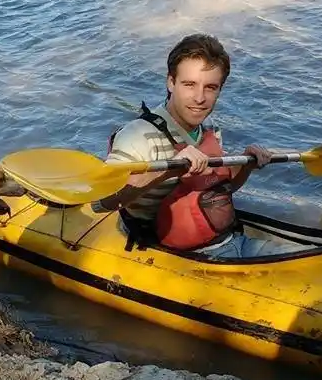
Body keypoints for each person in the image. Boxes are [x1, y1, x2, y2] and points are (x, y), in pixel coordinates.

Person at [95, 33, 287, 259]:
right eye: (189, 84)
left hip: (220, 240)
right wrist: (167, 170)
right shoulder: (136, 136)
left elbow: (218, 191)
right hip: (164, 251)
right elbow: (103, 203)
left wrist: (246, 164)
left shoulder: (209, 126)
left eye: (210, 87)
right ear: (170, 82)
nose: (199, 98)